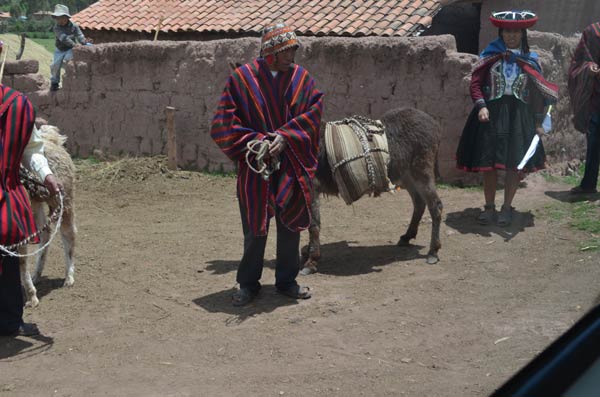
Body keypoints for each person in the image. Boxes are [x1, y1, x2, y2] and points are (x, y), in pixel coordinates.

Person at [210, 21, 324, 306]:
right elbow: (223, 124)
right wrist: (257, 141)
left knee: (290, 226)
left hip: (291, 166)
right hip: (256, 169)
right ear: (270, 52)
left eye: (294, 50)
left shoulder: (302, 79)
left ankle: (287, 281)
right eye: (287, 51)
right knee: (254, 227)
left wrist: (285, 137)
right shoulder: (242, 80)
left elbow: (314, 113)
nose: (292, 57)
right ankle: (248, 284)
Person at [456, 10, 558, 226]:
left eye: (516, 32)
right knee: (489, 164)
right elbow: (475, 84)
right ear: (501, 33)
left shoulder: (531, 59)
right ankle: (489, 207)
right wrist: (481, 105)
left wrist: (539, 122)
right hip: (491, 113)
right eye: (507, 32)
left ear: (523, 33)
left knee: (514, 164)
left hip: (519, 116)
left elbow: (538, 93)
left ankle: (506, 208)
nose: (511, 36)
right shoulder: (490, 55)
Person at [0, 81, 62, 336]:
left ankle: (9, 321)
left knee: (9, 259)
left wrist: (46, 175)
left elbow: (32, 150)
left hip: (5, 196)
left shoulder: (17, 106)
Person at [568, 22, 600, 195]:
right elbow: (579, 61)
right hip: (595, 98)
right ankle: (588, 184)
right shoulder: (592, 32)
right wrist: (589, 68)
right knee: (594, 142)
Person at [49, 4, 92, 91]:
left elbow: (79, 35)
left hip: (70, 49)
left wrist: (84, 42)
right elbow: (64, 38)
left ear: (67, 17)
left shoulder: (74, 26)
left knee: (68, 61)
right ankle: (54, 82)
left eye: (61, 17)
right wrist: (75, 45)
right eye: (57, 18)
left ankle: (71, 79)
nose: (59, 20)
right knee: (55, 65)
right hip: (60, 49)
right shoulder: (56, 28)